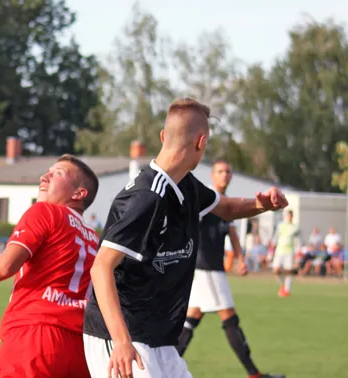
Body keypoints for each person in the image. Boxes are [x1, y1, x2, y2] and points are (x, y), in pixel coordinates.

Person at [82, 98, 288, 378]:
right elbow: (101, 266)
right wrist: (120, 341)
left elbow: (225, 208)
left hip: (159, 341)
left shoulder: (185, 185)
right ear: (201, 143)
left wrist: (262, 204)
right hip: (123, 336)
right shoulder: (146, 197)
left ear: (164, 137)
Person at [0, 154, 100, 378]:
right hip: (82, 348)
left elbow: (5, 265)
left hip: (35, 337)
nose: (45, 176)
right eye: (48, 171)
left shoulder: (45, 211)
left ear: (78, 193)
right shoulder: (94, 237)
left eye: (58, 173)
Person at [176, 159, 285, 378]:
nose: (225, 174)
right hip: (206, 269)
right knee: (230, 318)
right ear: (212, 176)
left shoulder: (226, 202)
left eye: (228, 171)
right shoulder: (208, 200)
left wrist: (240, 258)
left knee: (192, 318)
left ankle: (161, 369)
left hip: (209, 270)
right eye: (220, 171)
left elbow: (232, 230)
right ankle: (254, 374)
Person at [270, 210, 300, 297]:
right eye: (288, 216)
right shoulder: (280, 225)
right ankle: (283, 285)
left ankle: (287, 290)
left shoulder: (295, 227)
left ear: (292, 217)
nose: (289, 217)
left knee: (288, 271)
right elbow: (275, 238)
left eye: (290, 216)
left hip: (289, 252)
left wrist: (298, 253)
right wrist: (271, 251)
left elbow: (298, 241)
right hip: (279, 251)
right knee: (275, 270)